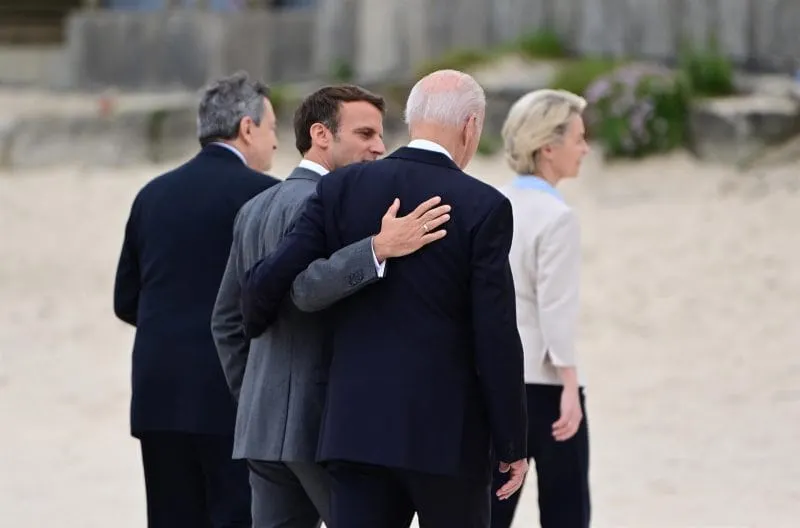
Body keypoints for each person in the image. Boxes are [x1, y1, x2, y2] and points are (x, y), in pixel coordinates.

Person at [239, 69, 529, 528]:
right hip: (446, 438)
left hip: (355, 433)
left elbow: (267, 284)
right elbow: (494, 333)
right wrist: (513, 442)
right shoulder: (483, 205)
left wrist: (258, 313)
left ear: (412, 120)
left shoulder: (341, 188)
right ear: (471, 126)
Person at [211, 84, 451, 528]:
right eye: (365, 134)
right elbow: (308, 288)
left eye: (380, 135)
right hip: (322, 428)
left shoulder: (255, 207)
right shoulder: (335, 203)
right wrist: (377, 249)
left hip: (259, 431)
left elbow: (225, 321)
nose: (379, 147)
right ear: (321, 134)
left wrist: (251, 395)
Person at [113, 71, 280, 528]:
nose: (276, 144)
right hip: (233, 393)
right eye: (272, 130)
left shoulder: (152, 195)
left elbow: (126, 299)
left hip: (159, 393)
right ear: (247, 128)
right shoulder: (266, 196)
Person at [491, 89, 592, 528]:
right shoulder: (557, 217)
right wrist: (570, 385)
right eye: (579, 138)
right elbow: (556, 310)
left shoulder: (492, 205)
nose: (586, 148)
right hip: (546, 386)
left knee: (489, 512)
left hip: (494, 381)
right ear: (547, 148)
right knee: (566, 511)